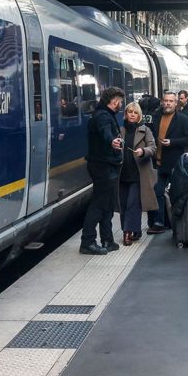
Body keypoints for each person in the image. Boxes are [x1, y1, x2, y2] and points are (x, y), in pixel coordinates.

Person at [81, 86, 125, 255]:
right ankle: (87, 241)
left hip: (106, 165)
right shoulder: (103, 116)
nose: (121, 105)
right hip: (103, 166)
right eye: (120, 102)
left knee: (107, 204)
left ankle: (107, 239)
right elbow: (105, 131)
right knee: (99, 204)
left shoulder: (104, 114)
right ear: (114, 101)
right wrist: (112, 141)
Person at [147, 90, 188, 234]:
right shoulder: (156, 116)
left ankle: (176, 223)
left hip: (175, 164)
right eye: (165, 101)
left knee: (175, 195)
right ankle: (159, 222)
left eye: (171, 101)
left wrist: (172, 142)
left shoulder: (183, 119)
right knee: (157, 192)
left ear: (176, 103)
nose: (167, 103)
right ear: (162, 102)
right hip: (158, 163)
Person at [119, 102, 158, 246]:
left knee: (132, 204)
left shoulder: (145, 130)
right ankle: (135, 230)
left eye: (135, 113)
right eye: (130, 112)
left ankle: (127, 233)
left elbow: (153, 148)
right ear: (126, 114)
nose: (132, 115)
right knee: (123, 205)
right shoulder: (120, 130)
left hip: (138, 174)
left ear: (139, 115)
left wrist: (143, 151)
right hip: (122, 174)